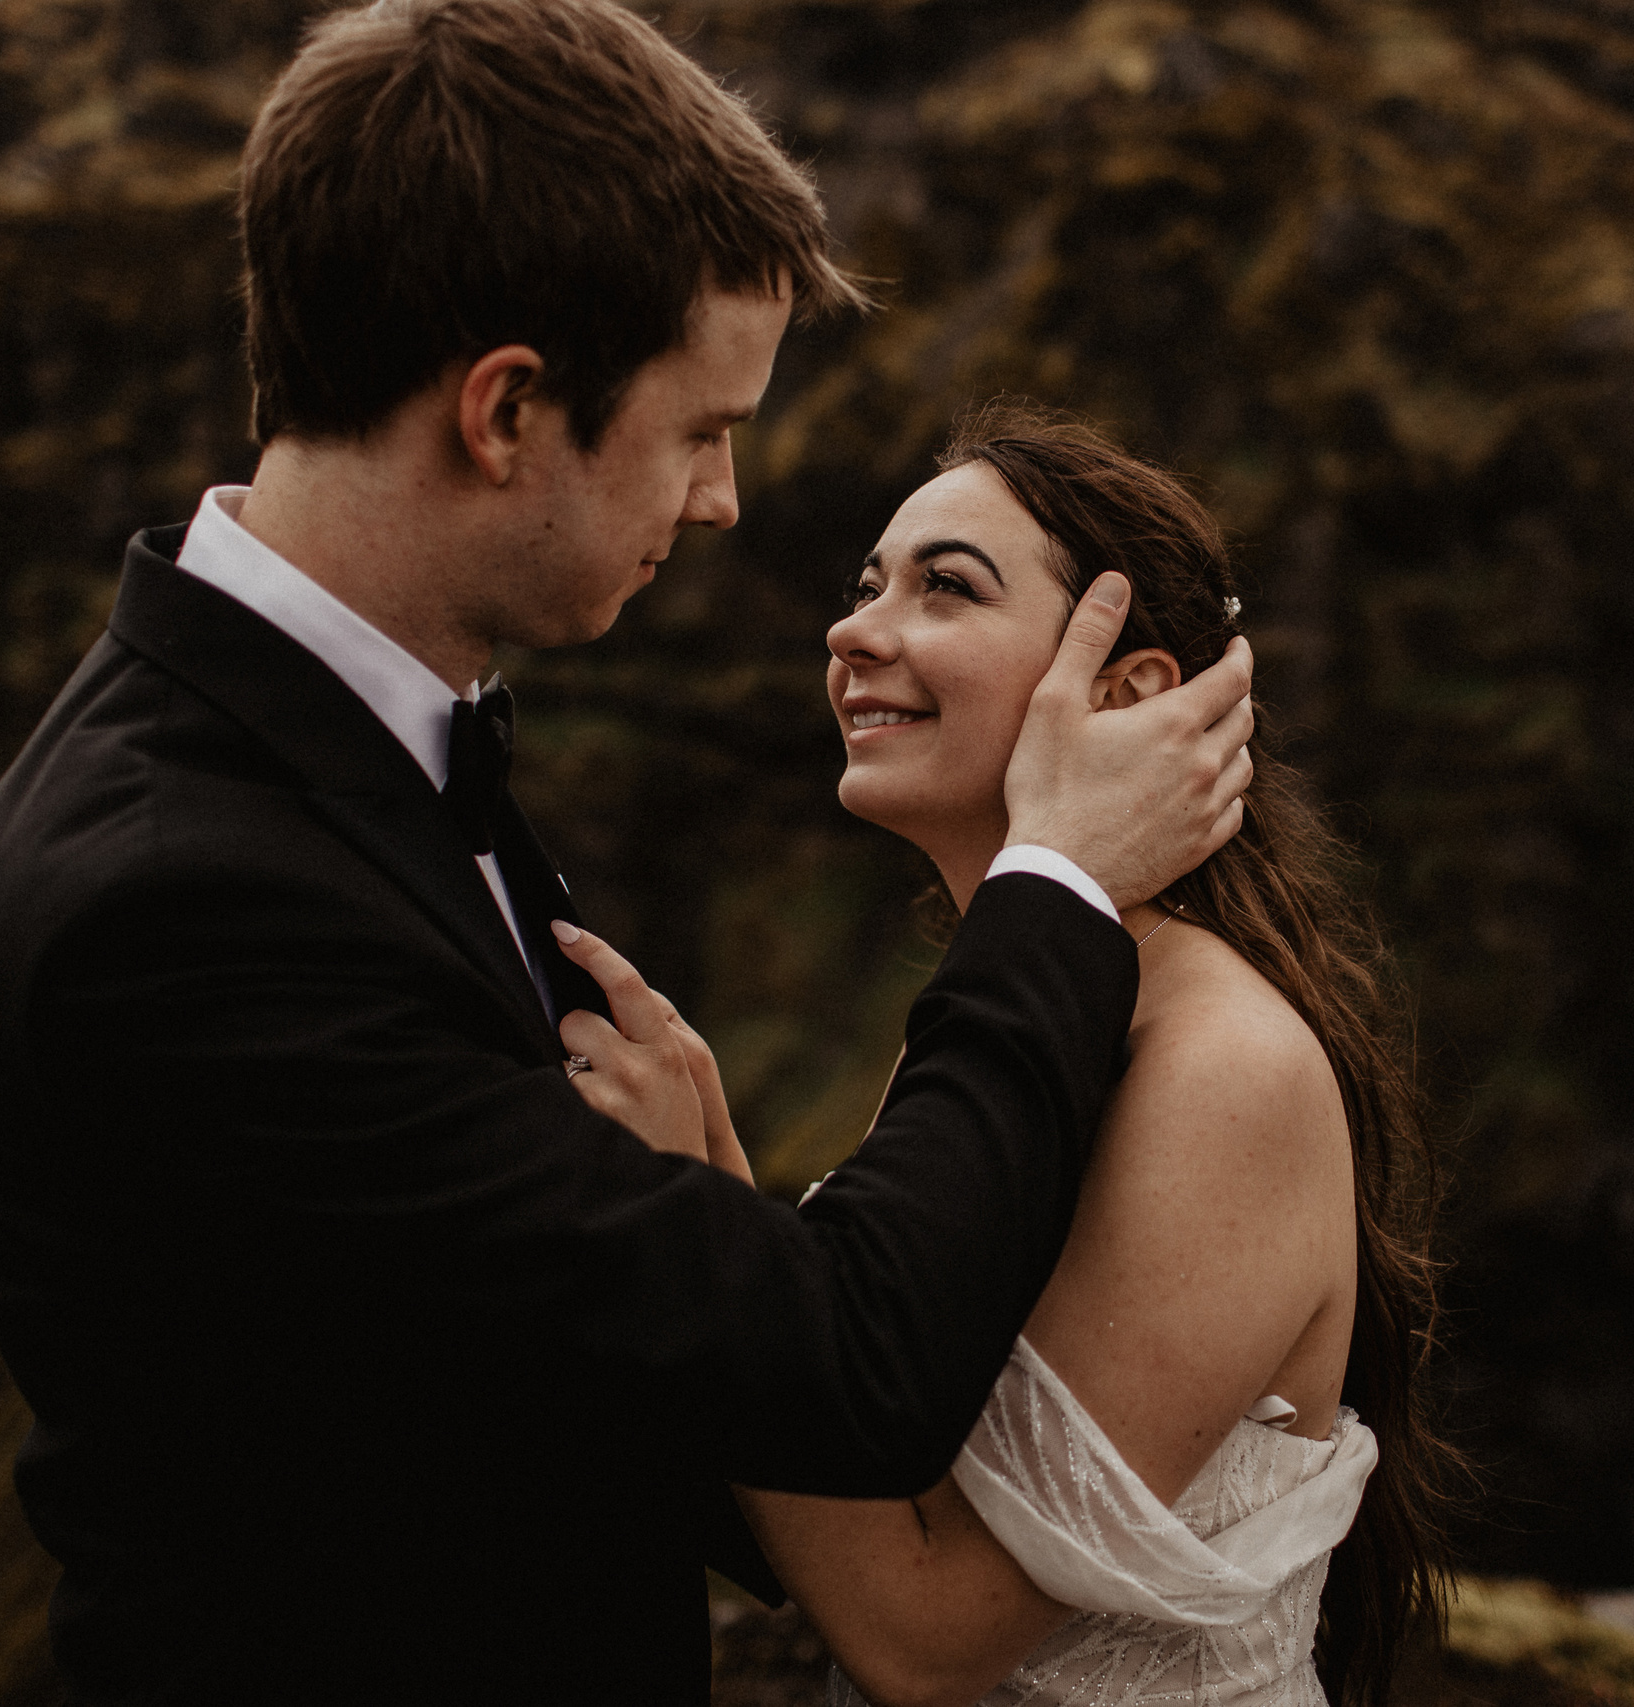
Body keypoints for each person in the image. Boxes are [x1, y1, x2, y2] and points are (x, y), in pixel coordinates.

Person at [0, 5, 1253, 1702]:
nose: (722, 501)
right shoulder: (188, 898)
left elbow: (569, 1362)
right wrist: (1054, 879)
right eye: (701, 430)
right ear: (507, 411)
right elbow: (854, 1369)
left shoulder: (347, 751)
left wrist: (691, 1217)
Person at [558, 405, 1464, 1707]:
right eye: (867, 585)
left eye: (947, 587)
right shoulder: (1010, 1017)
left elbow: (928, 1636)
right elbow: (880, 1444)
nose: (854, 632)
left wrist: (684, 1234)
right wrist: (713, 1193)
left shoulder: (1222, 1070)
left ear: (1127, 693)